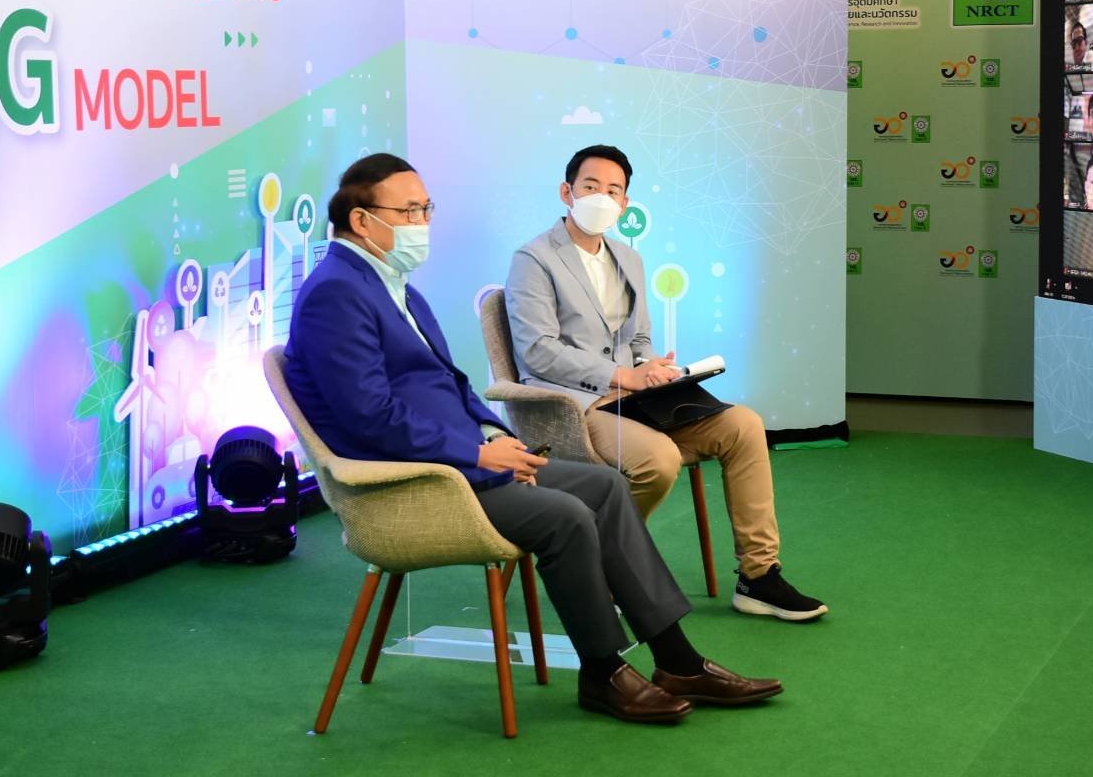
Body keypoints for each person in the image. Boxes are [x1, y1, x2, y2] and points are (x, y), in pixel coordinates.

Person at [284, 153, 782, 724]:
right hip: (415, 480)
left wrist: (497, 436)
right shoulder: (336, 293)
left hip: (462, 460)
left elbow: (452, 384)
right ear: (361, 219)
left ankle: (678, 661)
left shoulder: (395, 286)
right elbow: (368, 416)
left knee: (605, 488)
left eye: (426, 208)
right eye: (410, 211)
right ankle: (603, 673)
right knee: (566, 516)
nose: (422, 222)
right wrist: (476, 452)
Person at [506, 145, 826, 623]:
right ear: (566, 192)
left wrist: (652, 367)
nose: (601, 197)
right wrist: (621, 375)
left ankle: (758, 577)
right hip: (574, 405)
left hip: (635, 399)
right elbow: (538, 350)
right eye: (590, 186)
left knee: (743, 425)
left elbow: (637, 339)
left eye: (613, 190)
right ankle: (603, 565)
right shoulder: (534, 258)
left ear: (624, 204)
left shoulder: (628, 258)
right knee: (658, 459)